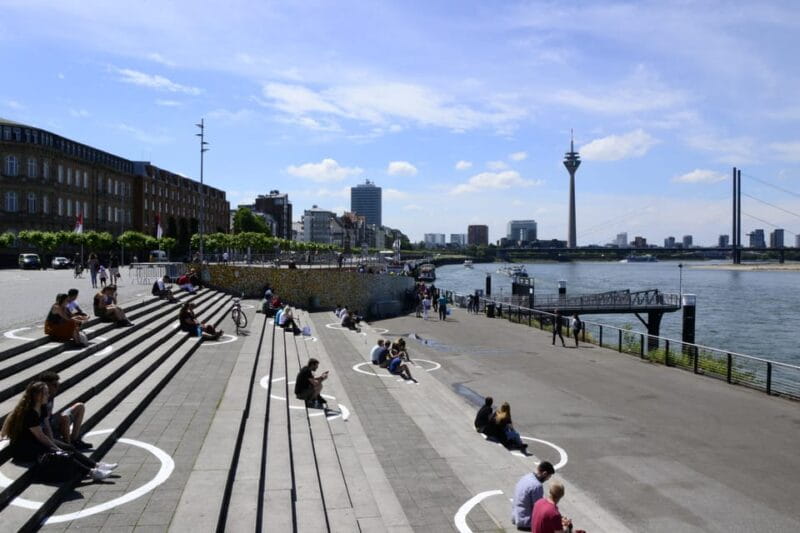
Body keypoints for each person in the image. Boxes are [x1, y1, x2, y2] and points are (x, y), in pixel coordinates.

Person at [0, 382, 116, 482]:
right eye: (45, 393)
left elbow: (47, 427)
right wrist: (55, 447)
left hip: (35, 441)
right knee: (61, 453)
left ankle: (96, 465)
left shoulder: (42, 407)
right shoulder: (30, 413)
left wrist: (54, 442)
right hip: (25, 447)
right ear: (37, 396)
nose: (48, 395)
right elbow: (40, 436)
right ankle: (91, 472)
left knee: (68, 447)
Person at [37, 371, 92, 450]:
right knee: (65, 417)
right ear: (46, 385)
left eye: (57, 385)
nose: (57, 387)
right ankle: (69, 445)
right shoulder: (40, 398)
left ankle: (74, 440)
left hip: (51, 421)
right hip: (45, 427)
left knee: (80, 406)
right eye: (54, 385)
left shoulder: (51, 395)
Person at [511, 461, 556, 531]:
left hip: (516, 516)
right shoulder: (537, 486)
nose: (547, 479)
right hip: (526, 521)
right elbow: (539, 508)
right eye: (548, 477)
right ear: (544, 473)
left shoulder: (526, 477)